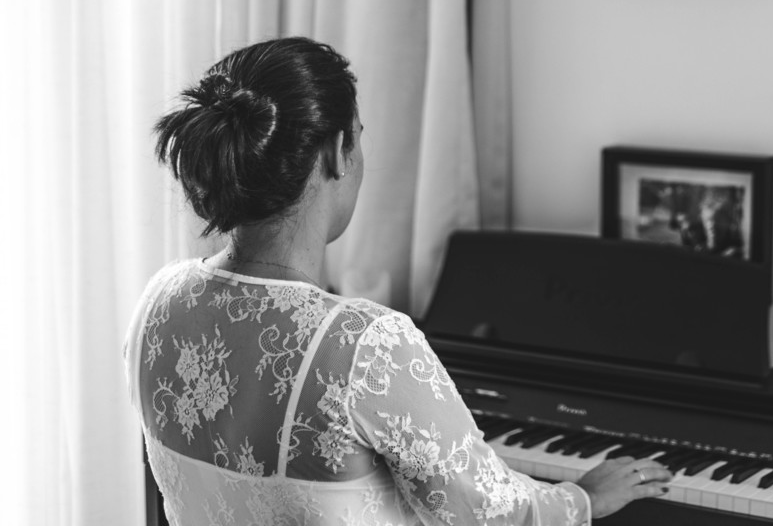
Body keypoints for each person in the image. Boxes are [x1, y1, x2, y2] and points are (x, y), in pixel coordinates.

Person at [124, 36, 672, 525]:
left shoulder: (158, 305)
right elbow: (492, 515)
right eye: (359, 137)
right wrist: (584, 498)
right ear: (338, 153)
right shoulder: (366, 345)